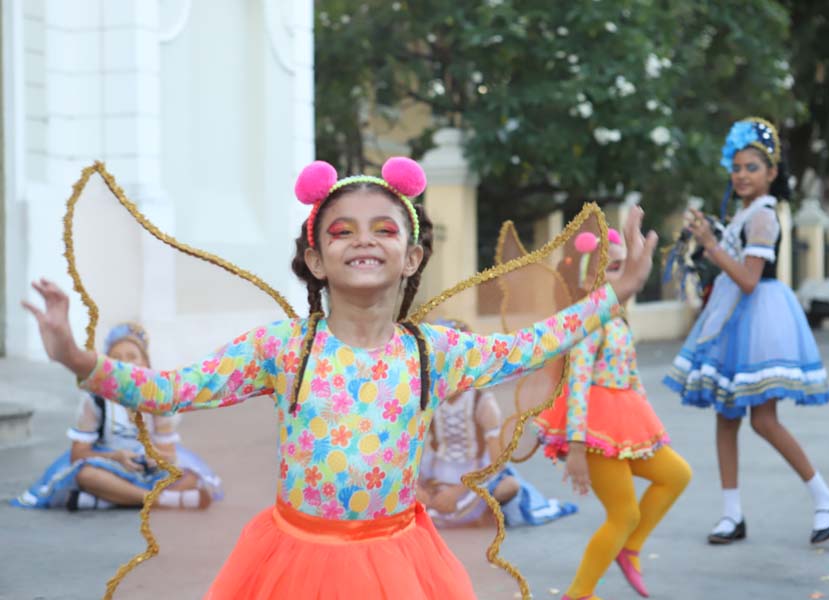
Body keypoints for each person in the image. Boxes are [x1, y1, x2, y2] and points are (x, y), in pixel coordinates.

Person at [22, 156, 656, 599]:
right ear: (315, 259)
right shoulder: (284, 348)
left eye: (385, 229)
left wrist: (615, 294)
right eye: (341, 231)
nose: (363, 240)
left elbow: (531, 344)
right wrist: (78, 358)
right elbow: (170, 390)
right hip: (293, 561)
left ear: (411, 257)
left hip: (399, 563)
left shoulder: (434, 352)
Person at [664, 117, 829, 545]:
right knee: (727, 418)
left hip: (759, 318)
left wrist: (711, 244)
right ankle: (732, 515)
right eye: (737, 167)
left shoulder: (763, 215)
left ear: (771, 173)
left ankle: (825, 499)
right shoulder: (746, 213)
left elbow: (748, 279)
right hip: (734, 320)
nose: (742, 175)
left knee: (763, 421)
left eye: (752, 168)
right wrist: (710, 240)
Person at [535, 228, 691, 600]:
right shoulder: (590, 320)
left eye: (626, 265)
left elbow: (632, 379)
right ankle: (579, 593)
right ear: (590, 276)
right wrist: (575, 447)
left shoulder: (618, 318)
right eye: (615, 267)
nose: (627, 274)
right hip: (594, 426)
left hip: (626, 421)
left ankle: (629, 548)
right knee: (623, 515)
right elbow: (577, 382)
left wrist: (649, 431)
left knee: (676, 475)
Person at [12, 322, 221, 511]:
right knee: (86, 475)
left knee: (190, 478)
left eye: (132, 357)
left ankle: (106, 500)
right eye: (117, 359)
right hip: (110, 465)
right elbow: (78, 454)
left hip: (148, 469)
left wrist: (155, 457)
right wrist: (116, 457)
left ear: (146, 363)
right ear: (108, 365)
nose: (125, 365)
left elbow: (169, 452)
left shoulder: (158, 399)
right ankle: (159, 500)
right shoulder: (97, 399)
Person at [418, 318, 577, 528]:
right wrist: (419, 489)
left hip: (474, 476)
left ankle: (480, 510)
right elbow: (410, 449)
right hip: (437, 474)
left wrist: (458, 491)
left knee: (508, 486)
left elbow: (496, 461)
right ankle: (459, 510)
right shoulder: (427, 399)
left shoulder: (481, 402)